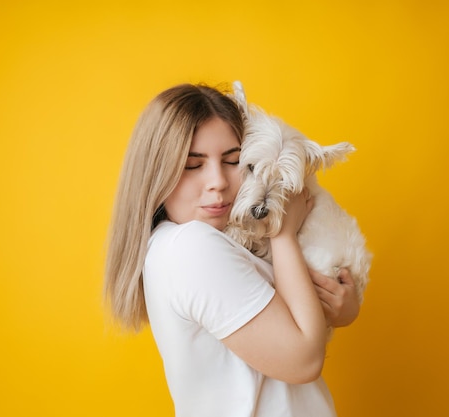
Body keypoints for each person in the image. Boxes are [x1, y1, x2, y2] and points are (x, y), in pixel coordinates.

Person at [104, 83, 360, 417]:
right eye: (193, 165)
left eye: (235, 161)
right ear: (156, 173)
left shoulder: (210, 242)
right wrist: (282, 231)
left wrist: (342, 309)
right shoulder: (191, 247)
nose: (219, 182)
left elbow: (291, 315)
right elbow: (305, 359)